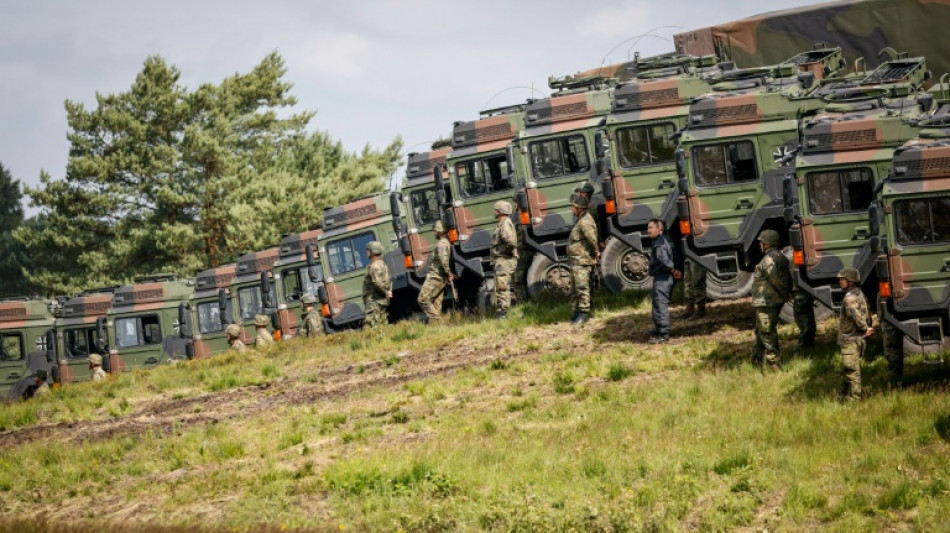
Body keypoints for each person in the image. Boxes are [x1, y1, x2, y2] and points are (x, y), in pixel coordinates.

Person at [751, 229, 791, 368]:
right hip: (768, 301)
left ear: (767, 243)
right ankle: (756, 360)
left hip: (766, 301)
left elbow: (774, 279)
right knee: (761, 330)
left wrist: (784, 293)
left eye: (761, 242)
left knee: (766, 332)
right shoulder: (781, 257)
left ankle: (774, 364)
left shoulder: (769, 259)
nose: (759, 245)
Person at [836, 267, 873, 401]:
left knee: (852, 372)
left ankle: (853, 401)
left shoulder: (849, 299)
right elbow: (867, 313)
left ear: (851, 281)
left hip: (850, 340)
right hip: (857, 339)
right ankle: (841, 397)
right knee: (846, 371)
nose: (840, 281)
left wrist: (864, 328)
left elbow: (856, 316)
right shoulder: (859, 294)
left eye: (842, 279)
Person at [647, 218, 681, 343]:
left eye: (650, 228)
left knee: (660, 305)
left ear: (659, 228)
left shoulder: (659, 243)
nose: (648, 230)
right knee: (657, 303)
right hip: (665, 277)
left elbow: (663, 260)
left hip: (663, 278)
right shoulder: (665, 240)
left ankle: (663, 334)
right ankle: (658, 328)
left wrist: (672, 270)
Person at [568, 194, 599, 324]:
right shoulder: (580, 220)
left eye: (573, 207)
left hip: (583, 260)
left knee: (582, 287)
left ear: (579, 207)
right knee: (575, 288)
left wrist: (596, 252)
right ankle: (577, 312)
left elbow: (592, 239)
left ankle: (584, 313)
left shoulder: (585, 221)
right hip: (577, 260)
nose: (571, 209)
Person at [417, 220, 454, 322]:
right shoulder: (445, 242)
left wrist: (448, 273)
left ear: (439, 230)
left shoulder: (442, 243)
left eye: (435, 230)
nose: (434, 233)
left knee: (422, 299)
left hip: (436, 276)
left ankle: (439, 322)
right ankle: (437, 327)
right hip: (441, 277)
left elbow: (443, 260)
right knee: (436, 303)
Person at [490, 200, 518, 319]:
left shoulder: (505, 223)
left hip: (504, 260)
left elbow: (510, 242)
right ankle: (502, 312)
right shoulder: (504, 223)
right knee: (501, 286)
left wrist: (503, 252)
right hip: (503, 260)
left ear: (500, 211)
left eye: (495, 209)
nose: (494, 211)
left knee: (502, 287)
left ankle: (503, 314)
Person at [363, 240, 392, 329]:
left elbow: (378, 283)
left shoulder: (374, 267)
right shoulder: (382, 264)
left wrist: (386, 293)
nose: (366, 252)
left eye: (368, 250)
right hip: (381, 301)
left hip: (373, 302)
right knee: (382, 325)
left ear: (373, 252)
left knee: (370, 327)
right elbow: (389, 280)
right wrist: (388, 292)